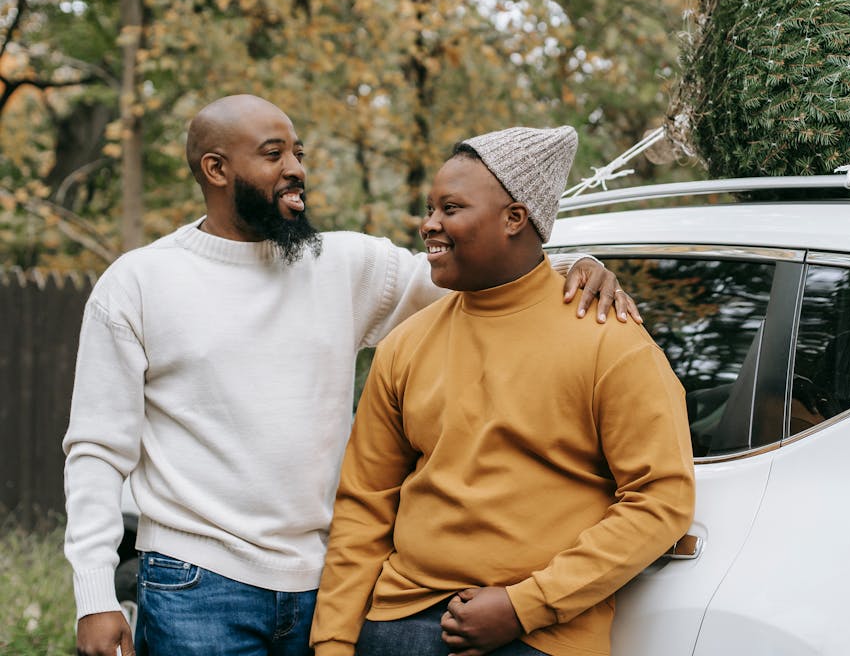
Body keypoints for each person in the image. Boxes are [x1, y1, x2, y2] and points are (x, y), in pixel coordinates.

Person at [63, 95, 640, 656]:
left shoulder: (342, 263)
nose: (296, 170)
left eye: (299, 153)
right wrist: (95, 594)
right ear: (216, 169)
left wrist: (574, 267)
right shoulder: (139, 283)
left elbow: (482, 274)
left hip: (327, 584)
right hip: (198, 584)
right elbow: (96, 449)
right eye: (273, 155)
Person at [310, 126, 695, 656]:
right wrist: (333, 641)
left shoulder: (610, 341)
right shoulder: (405, 345)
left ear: (515, 218)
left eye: (451, 208)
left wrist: (524, 607)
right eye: (430, 208)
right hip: (394, 625)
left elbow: (662, 500)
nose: (429, 225)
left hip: (536, 636)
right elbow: (365, 504)